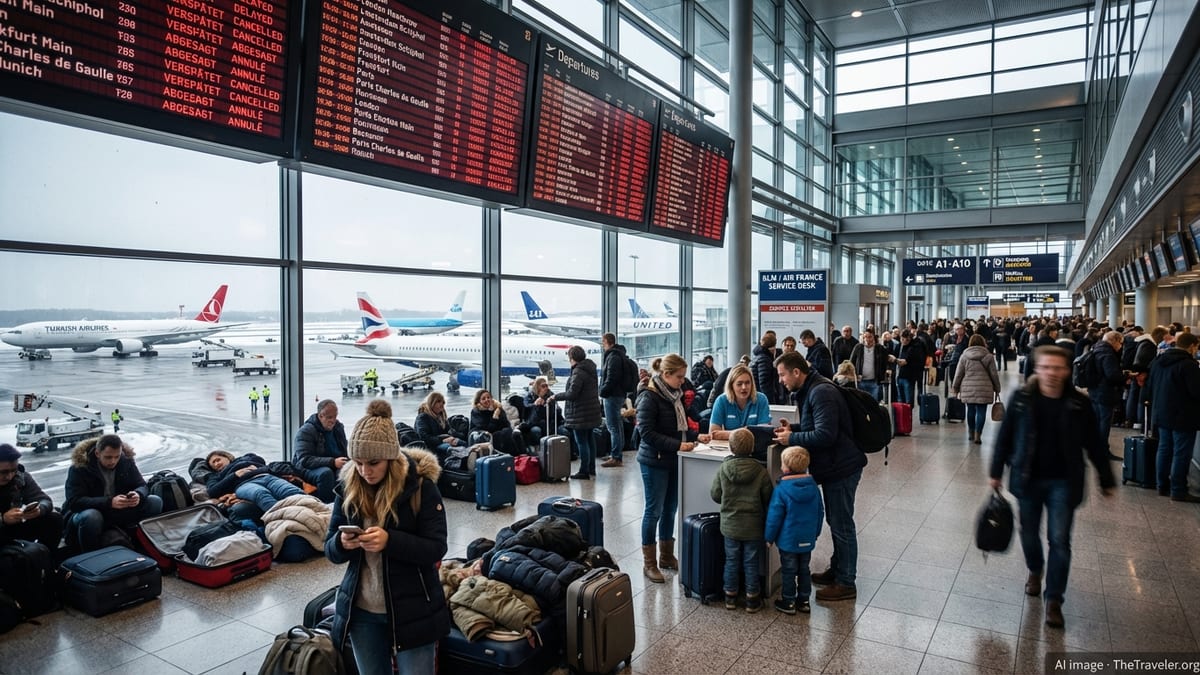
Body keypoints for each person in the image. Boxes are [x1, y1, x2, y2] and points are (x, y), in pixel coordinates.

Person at [989, 345, 1115, 629]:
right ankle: (1035, 569)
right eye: (1045, 367)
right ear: (1037, 369)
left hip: (1064, 481)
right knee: (1029, 533)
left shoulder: (1079, 404)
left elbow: (1094, 444)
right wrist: (995, 471)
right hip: (1027, 477)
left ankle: (1054, 599)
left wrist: (1106, 478)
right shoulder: (1022, 398)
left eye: (1057, 368)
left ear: (1067, 371)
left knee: (1059, 540)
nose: (1051, 373)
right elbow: (1004, 437)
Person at [325, 399, 450, 674]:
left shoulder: (421, 489)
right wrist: (341, 543)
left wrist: (390, 541)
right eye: (357, 463)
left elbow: (436, 547)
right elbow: (330, 549)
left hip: (413, 609)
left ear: (391, 459)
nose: (364, 471)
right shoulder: (348, 489)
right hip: (361, 612)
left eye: (373, 463)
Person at [773, 350, 866, 602]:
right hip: (837, 465)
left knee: (841, 524)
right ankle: (838, 570)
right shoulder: (813, 388)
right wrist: (793, 428)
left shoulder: (820, 392)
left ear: (796, 372)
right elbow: (818, 427)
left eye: (783, 375)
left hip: (842, 467)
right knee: (838, 521)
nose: (781, 380)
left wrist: (791, 438)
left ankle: (846, 581)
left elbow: (826, 435)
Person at [637, 353, 699, 583]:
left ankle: (666, 556)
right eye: (679, 377)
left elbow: (677, 428)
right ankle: (649, 563)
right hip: (654, 460)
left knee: (670, 508)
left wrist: (694, 436)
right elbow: (647, 433)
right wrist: (678, 444)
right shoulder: (649, 397)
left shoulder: (675, 395)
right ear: (666, 375)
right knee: (653, 510)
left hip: (673, 458)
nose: (683, 381)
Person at [63, 434, 163, 553]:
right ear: (97, 454)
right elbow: (74, 502)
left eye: (117, 456)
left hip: (119, 510)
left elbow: (142, 485)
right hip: (90, 512)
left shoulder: (126, 461)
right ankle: (91, 556)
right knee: (92, 516)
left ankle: (146, 548)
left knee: (155, 501)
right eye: (108, 457)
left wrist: (138, 495)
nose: (113, 461)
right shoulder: (80, 468)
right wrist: (109, 502)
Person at [710, 427, 773, 613]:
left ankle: (730, 596)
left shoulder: (724, 468)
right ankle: (752, 599)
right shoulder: (760, 471)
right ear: (753, 447)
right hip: (753, 527)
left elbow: (715, 494)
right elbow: (768, 497)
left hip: (730, 525)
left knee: (731, 560)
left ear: (730, 447)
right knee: (751, 562)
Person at [764, 446, 823, 615]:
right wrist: (816, 533)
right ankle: (804, 601)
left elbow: (775, 516)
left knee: (789, 570)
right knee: (804, 569)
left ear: (786, 468)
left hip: (788, 540)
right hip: (807, 538)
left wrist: (769, 537)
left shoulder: (782, 489)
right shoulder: (813, 487)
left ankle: (788, 600)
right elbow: (820, 512)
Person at [1141, 332, 1200, 501]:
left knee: (1164, 449)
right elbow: (1196, 391)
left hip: (1161, 413)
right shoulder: (1188, 365)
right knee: (1181, 453)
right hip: (1183, 416)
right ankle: (1178, 489)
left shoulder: (1159, 361)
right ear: (1192, 346)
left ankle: (1162, 486)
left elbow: (1150, 386)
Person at [550, 345, 602, 479]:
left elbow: (572, 393)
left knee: (582, 441)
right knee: (590, 439)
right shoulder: (590, 369)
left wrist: (556, 396)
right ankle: (591, 468)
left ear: (572, 358)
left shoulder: (578, 372)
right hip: (591, 410)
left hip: (580, 412)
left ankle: (584, 471)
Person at [0, 443, 64, 547]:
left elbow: (44, 500)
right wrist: (3, 519)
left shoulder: (21, 478)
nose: (9, 476)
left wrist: (39, 509)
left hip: (15, 526)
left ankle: (47, 557)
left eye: (13, 471)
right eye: (3, 472)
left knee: (54, 518)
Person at [204, 450, 303, 513]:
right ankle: (285, 518)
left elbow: (260, 460)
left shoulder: (245, 458)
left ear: (227, 457)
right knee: (261, 494)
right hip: (244, 484)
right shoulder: (215, 476)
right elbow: (212, 491)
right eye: (213, 464)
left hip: (265, 476)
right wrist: (234, 475)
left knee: (292, 491)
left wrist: (252, 466)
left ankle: (312, 513)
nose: (216, 464)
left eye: (218, 460)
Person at [293, 399, 349, 503]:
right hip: (307, 467)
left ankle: (345, 504)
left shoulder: (338, 427)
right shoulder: (306, 431)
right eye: (329, 417)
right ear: (320, 416)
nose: (333, 420)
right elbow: (305, 460)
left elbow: (344, 450)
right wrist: (332, 462)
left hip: (332, 463)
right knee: (326, 474)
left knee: (348, 470)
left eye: (335, 417)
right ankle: (327, 505)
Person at [697, 364, 770, 443]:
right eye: (739, 384)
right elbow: (713, 434)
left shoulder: (761, 399)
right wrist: (746, 431)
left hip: (755, 448)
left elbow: (763, 433)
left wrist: (726, 434)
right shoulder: (721, 400)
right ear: (731, 386)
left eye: (747, 383)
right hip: (728, 447)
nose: (744, 387)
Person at [951, 334, 1002, 445]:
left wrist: (955, 387)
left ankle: (971, 431)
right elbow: (994, 374)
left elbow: (958, 374)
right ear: (983, 343)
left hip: (968, 387)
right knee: (981, 412)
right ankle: (978, 435)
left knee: (970, 410)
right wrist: (997, 388)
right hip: (984, 388)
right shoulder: (988, 356)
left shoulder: (964, 356)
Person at [1087, 330, 1127, 462]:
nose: (1121, 346)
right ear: (1114, 341)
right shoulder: (1108, 354)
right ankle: (1103, 450)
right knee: (1104, 422)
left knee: (1097, 421)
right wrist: (1125, 377)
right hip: (1105, 393)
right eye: (1120, 342)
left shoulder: (1096, 348)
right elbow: (1112, 375)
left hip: (1094, 390)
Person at [599, 333, 631, 468]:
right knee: (617, 425)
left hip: (612, 395)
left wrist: (603, 391)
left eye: (603, 342)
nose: (602, 344)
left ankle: (616, 456)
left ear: (607, 342)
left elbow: (612, 377)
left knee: (613, 426)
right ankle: (616, 453)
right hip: (619, 394)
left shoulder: (613, 357)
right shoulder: (619, 355)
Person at [414, 391, 465, 464]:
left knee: (461, 443)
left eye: (443, 402)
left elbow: (449, 430)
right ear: (431, 403)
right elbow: (423, 436)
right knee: (452, 449)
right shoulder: (423, 417)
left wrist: (457, 436)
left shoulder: (441, 417)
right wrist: (443, 440)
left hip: (441, 442)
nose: (441, 404)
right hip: (430, 446)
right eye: (438, 402)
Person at [469, 389, 523, 456]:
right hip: (482, 434)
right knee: (500, 435)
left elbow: (506, 424)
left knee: (509, 432)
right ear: (479, 401)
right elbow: (486, 428)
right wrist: (494, 416)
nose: (487, 400)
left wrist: (496, 412)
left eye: (488, 397)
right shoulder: (476, 412)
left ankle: (516, 455)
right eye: (483, 399)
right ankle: (512, 456)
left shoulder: (497, 408)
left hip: (498, 431)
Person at [849, 329, 893, 402]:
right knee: (861, 403)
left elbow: (886, 361)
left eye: (869, 337)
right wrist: (854, 375)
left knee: (874, 403)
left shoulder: (880, 348)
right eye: (865, 337)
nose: (867, 339)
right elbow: (851, 362)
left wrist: (887, 370)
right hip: (861, 381)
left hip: (875, 381)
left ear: (873, 337)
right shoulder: (858, 347)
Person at [521, 376, 561, 447]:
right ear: (538, 387)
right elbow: (526, 407)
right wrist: (535, 404)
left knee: (562, 430)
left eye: (547, 386)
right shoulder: (530, 396)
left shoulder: (550, 395)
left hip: (549, 422)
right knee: (536, 431)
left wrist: (550, 403)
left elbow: (556, 410)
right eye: (543, 386)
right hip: (534, 423)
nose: (546, 388)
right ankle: (539, 449)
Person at [895, 330, 927, 405]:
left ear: (909, 338)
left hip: (909, 377)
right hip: (899, 375)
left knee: (908, 400)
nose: (903, 341)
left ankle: (908, 414)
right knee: (900, 400)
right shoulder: (900, 346)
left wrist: (895, 360)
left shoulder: (915, 347)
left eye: (904, 339)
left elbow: (905, 361)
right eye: (901, 339)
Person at [751, 332, 780, 404]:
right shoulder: (764, 360)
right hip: (761, 398)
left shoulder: (758, 357)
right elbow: (764, 382)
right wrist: (770, 401)